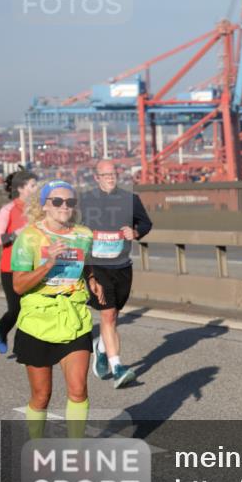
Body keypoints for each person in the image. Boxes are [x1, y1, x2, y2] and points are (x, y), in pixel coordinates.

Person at [11, 180, 104, 440]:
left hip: (74, 317)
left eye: (70, 201)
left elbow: (85, 263)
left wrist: (93, 281)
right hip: (38, 321)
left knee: (78, 390)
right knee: (42, 395)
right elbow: (18, 285)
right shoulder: (28, 237)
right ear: (44, 205)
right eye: (57, 201)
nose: (65, 206)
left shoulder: (84, 234)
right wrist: (48, 263)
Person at [79, 159, 153, 389]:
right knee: (108, 316)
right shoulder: (85, 200)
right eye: (105, 174)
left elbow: (146, 223)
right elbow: (72, 228)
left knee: (114, 315)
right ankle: (118, 366)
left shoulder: (130, 200)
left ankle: (101, 349)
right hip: (96, 266)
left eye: (113, 174)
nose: (110, 177)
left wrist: (136, 231)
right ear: (96, 177)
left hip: (122, 267)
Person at [0, 168, 39, 355]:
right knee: (16, 309)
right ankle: (1, 330)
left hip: (33, 267)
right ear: (21, 188)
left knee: (32, 308)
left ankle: (24, 346)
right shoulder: (8, 210)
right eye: (33, 185)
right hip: (11, 268)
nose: (37, 188)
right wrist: (17, 233)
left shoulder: (39, 210)